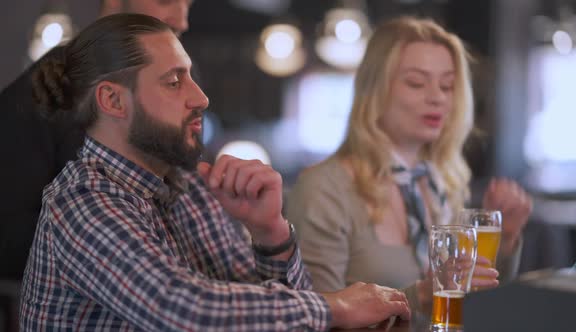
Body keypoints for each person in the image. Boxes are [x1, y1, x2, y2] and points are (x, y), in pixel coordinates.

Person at [19, 14, 411, 331]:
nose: (200, 97)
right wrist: (336, 307)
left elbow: (261, 313)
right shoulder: (83, 202)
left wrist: (270, 234)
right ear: (113, 100)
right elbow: (186, 312)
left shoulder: (188, 186)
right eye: (174, 82)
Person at [287, 16, 532, 312]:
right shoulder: (324, 189)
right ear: (374, 90)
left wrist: (504, 242)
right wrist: (421, 297)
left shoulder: (441, 182)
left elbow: (473, 305)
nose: (437, 98)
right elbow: (315, 315)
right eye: (416, 83)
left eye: (447, 85)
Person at [0, 0, 193, 281]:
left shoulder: (172, 91)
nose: (182, 19)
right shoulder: (46, 90)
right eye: (165, 0)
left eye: (188, 3)